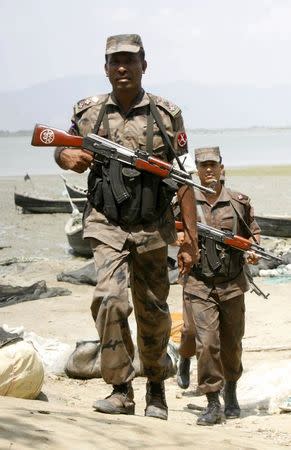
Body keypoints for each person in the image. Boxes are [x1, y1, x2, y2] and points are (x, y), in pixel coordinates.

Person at [54, 34, 199, 420]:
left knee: (152, 310)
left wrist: (190, 240)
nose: (122, 67)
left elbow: (181, 177)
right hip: (105, 222)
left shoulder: (166, 115)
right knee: (109, 300)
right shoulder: (88, 112)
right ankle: (120, 389)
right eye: (115, 61)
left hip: (153, 225)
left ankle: (155, 388)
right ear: (105, 69)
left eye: (130, 61)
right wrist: (66, 156)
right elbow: (62, 144)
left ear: (143, 66)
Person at [177, 146, 260, 425]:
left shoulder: (239, 202)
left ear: (222, 167)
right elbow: (171, 228)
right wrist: (178, 240)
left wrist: (252, 250)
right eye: (203, 166)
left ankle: (232, 390)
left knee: (231, 345)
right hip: (199, 283)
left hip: (232, 284)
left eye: (213, 165)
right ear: (196, 170)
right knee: (206, 344)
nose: (209, 170)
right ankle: (212, 401)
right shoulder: (186, 200)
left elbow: (253, 234)